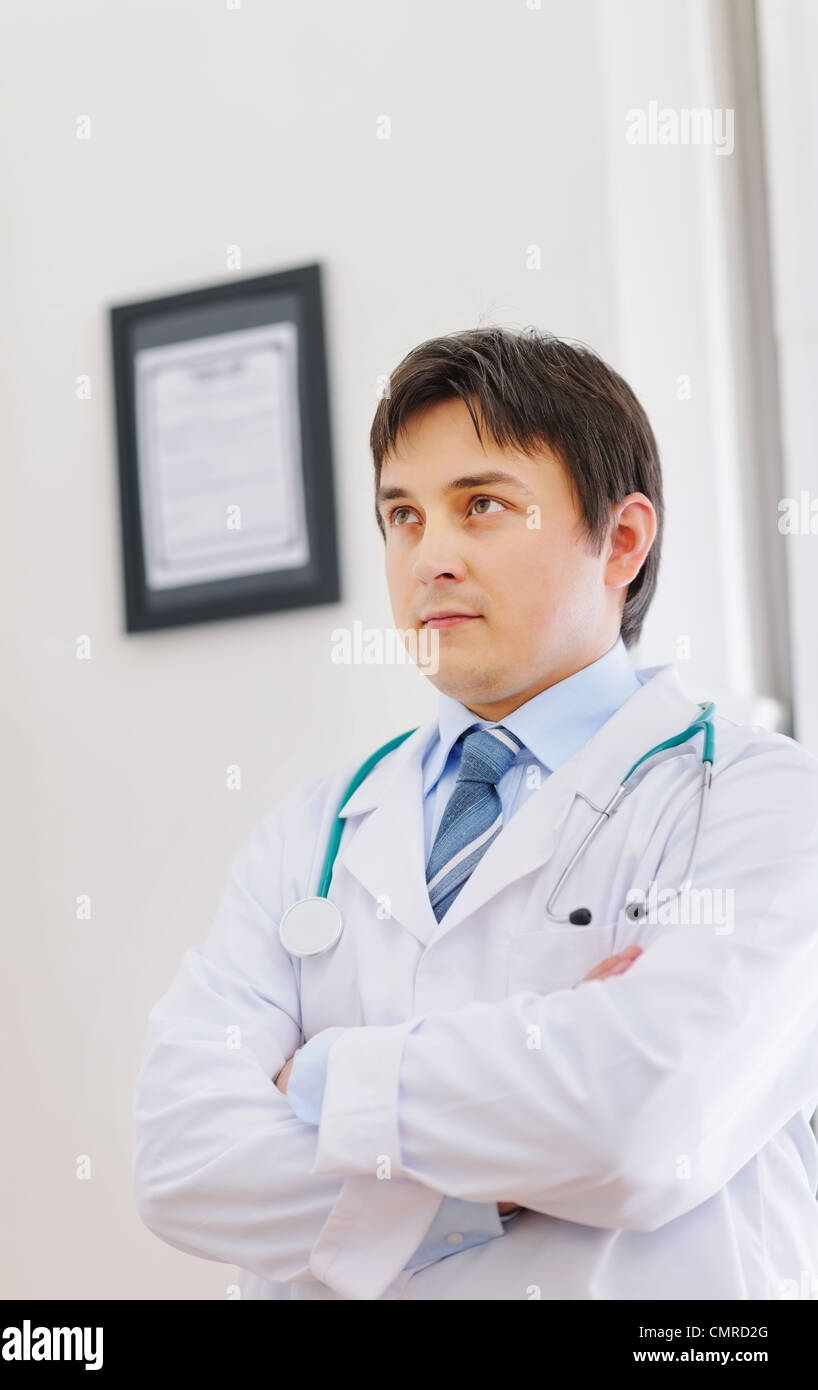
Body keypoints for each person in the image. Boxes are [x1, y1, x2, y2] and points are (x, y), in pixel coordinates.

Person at [132, 327, 818, 1301]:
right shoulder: (313, 832)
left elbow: (641, 1122)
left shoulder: (757, 800)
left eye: (481, 505)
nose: (428, 558)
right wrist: (484, 1194)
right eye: (401, 515)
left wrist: (323, 1074)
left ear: (619, 539)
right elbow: (181, 1161)